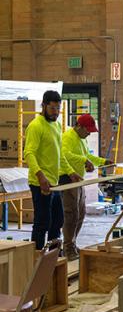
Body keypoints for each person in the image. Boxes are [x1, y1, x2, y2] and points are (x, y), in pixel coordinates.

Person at [24, 91, 82, 250]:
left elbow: (59, 154)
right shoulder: (35, 126)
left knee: (57, 221)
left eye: (58, 108)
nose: (56, 112)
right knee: (42, 222)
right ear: (43, 106)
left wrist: (70, 172)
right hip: (39, 183)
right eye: (52, 108)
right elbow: (29, 153)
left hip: (55, 184)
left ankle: (53, 258)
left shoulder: (56, 125)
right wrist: (40, 176)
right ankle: (37, 260)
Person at [59, 114, 112, 260]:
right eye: (87, 130)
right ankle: (68, 247)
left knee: (81, 213)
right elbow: (64, 155)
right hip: (66, 178)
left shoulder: (82, 139)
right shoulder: (68, 137)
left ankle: (72, 243)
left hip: (78, 179)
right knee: (71, 214)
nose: (89, 133)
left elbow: (87, 156)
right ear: (79, 126)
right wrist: (84, 160)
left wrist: (103, 161)